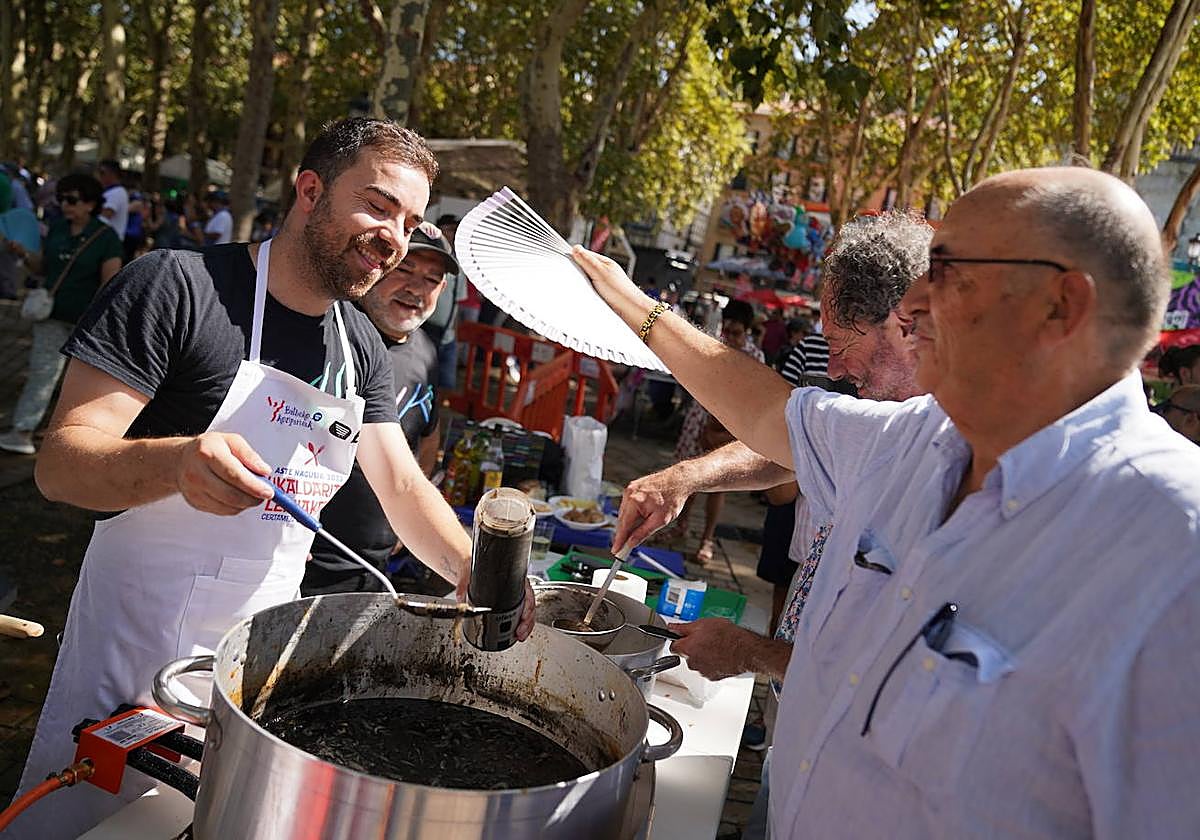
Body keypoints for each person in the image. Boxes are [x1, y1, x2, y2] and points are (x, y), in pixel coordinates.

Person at [577, 166, 1200, 836]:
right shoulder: (916, 440)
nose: (915, 299)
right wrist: (634, 305)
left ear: (1060, 305)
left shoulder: (1170, 548)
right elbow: (769, 416)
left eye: (948, 268)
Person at [9, 118, 534, 838]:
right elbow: (61, 464)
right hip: (123, 663)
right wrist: (177, 462)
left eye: (410, 221)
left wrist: (473, 570)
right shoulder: (175, 285)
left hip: (252, 679)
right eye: (379, 205)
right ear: (309, 191)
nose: (395, 236)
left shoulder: (361, 349)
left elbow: (405, 489)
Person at [613, 211, 932, 834]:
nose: (835, 371)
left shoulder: (941, 449)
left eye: (842, 345)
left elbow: (894, 681)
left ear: (907, 322)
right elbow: (791, 438)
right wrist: (688, 477)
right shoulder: (886, 422)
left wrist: (755, 652)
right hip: (806, 744)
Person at [302, 222, 451, 595]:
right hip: (307, 559)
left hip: (376, 566)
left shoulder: (427, 352)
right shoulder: (330, 331)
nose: (416, 289)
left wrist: (407, 522)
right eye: (405, 270)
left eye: (432, 279)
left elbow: (428, 439)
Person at [0, 174, 123, 455]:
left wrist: (100, 323)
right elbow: (42, 267)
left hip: (87, 323)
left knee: (78, 383)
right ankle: (24, 430)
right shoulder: (57, 228)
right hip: (52, 316)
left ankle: (71, 437)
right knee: (42, 374)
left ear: (91, 204)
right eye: (62, 198)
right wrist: (25, 254)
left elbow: (111, 283)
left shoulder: (106, 238)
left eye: (72, 199)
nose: (65, 205)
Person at [666, 298, 761, 565]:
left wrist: (724, 429)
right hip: (700, 417)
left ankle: (707, 538)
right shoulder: (715, 346)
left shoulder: (755, 357)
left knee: (719, 483)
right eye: (726, 331)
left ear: (747, 331)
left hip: (730, 425)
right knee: (689, 475)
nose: (730, 337)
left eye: (736, 333)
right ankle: (680, 525)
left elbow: (752, 401)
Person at [420, 213, 465, 391]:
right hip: (425, 329)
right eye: (450, 229)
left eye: (456, 230)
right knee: (422, 381)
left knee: (445, 387)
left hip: (448, 337)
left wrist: (455, 334)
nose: (453, 234)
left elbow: (457, 304)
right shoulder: (425, 257)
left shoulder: (458, 266)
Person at [96, 158, 129, 240]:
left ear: (113, 174)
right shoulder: (111, 191)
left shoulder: (117, 193)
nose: (99, 176)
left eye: (102, 173)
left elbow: (104, 217)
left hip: (110, 241)